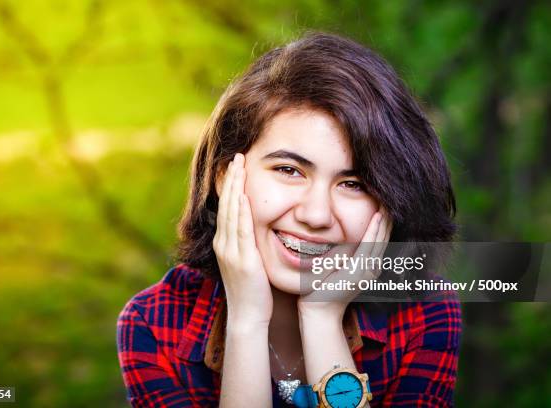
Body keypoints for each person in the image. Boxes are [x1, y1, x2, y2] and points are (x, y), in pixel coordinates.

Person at [117, 32, 462, 407]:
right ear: (224, 175)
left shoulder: (425, 312)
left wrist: (322, 319)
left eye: (353, 183)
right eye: (289, 169)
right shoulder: (153, 324)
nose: (316, 215)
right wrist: (247, 322)